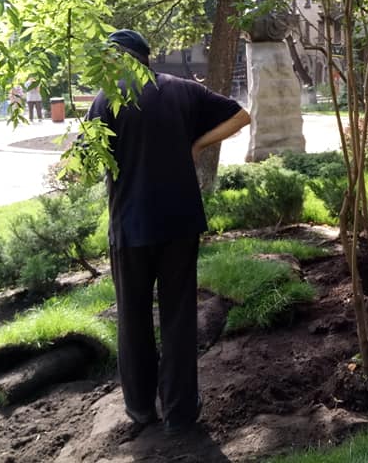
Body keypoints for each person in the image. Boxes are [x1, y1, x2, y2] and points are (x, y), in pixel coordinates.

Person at [87, 29, 251, 433]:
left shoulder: (106, 99)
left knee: (134, 316)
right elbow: (242, 115)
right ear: (146, 58)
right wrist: (196, 145)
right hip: (180, 222)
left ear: (117, 58)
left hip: (130, 226)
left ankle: (141, 408)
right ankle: (179, 413)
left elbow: (89, 162)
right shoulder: (181, 89)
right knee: (178, 317)